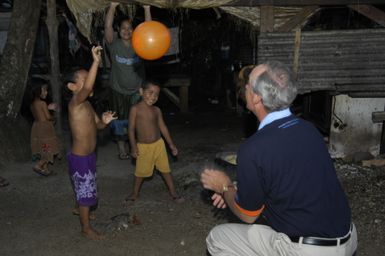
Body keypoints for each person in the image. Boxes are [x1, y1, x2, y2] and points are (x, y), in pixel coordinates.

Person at [201, 61, 357, 256]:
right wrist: (236, 190)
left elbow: (247, 216)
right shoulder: (308, 129)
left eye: (248, 83)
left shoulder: (253, 149)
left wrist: (225, 187)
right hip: (346, 238)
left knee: (218, 238)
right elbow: (286, 179)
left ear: (257, 98)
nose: (245, 87)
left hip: (310, 250)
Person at [64, 46, 117, 240]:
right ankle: (86, 228)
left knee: (85, 188)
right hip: (80, 158)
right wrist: (96, 62)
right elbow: (86, 89)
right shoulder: (75, 103)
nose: (89, 83)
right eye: (84, 79)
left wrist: (104, 121)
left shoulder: (86, 104)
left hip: (89, 156)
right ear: (72, 87)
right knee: (86, 192)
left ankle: (81, 208)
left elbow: (98, 126)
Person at [104, 2, 151, 160]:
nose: (126, 31)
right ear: (119, 29)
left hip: (136, 91)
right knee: (118, 121)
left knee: (137, 121)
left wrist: (147, 9)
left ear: (135, 30)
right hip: (117, 90)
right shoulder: (114, 45)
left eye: (130, 28)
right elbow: (108, 28)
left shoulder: (140, 45)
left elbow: (149, 29)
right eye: (123, 28)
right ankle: (121, 148)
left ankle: (135, 147)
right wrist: (112, 6)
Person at [125, 80, 184, 203]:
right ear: (141, 91)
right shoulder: (135, 109)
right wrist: (133, 146)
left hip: (159, 145)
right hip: (143, 147)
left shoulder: (157, 110)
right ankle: (135, 193)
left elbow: (163, 128)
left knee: (165, 170)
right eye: (150, 92)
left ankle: (173, 193)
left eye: (156, 94)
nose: (153, 97)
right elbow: (130, 130)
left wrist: (171, 144)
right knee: (140, 173)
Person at [30, 79, 61, 176]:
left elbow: (39, 115)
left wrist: (48, 108)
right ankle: (39, 165)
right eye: (44, 90)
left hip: (37, 127)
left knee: (44, 148)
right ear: (38, 91)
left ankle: (46, 169)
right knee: (49, 148)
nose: (46, 92)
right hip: (45, 129)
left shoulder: (33, 104)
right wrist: (54, 114)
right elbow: (47, 117)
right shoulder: (42, 103)